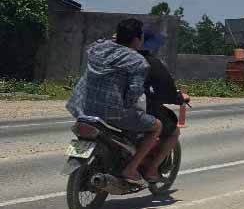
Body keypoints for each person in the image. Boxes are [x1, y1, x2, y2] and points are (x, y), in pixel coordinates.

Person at [66, 18, 162, 185]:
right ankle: (131, 169)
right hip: (113, 113)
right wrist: (131, 106)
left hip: (82, 107)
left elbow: (98, 43)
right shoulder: (138, 61)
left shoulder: (97, 48)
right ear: (137, 39)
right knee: (157, 127)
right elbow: (134, 92)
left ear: (117, 35)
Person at [138, 31, 188, 183]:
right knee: (173, 130)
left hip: (102, 107)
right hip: (137, 108)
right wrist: (179, 98)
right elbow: (167, 90)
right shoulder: (150, 62)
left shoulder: (113, 58)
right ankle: (152, 169)